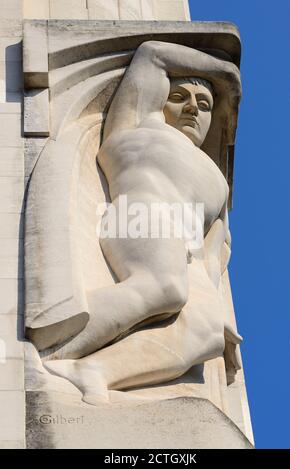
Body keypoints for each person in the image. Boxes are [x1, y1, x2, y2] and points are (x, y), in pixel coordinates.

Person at [45, 41, 242, 404]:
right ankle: (50, 351)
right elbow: (152, 53)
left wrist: (216, 308)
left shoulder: (216, 178)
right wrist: (224, 73)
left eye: (204, 105)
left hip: (187, 249)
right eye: (180, 96)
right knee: (164, 287)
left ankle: (96, 370)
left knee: (206, 332)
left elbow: (216, 250)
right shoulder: (139, 122)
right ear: (161, 99)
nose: (191, 109)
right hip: (141, 214)